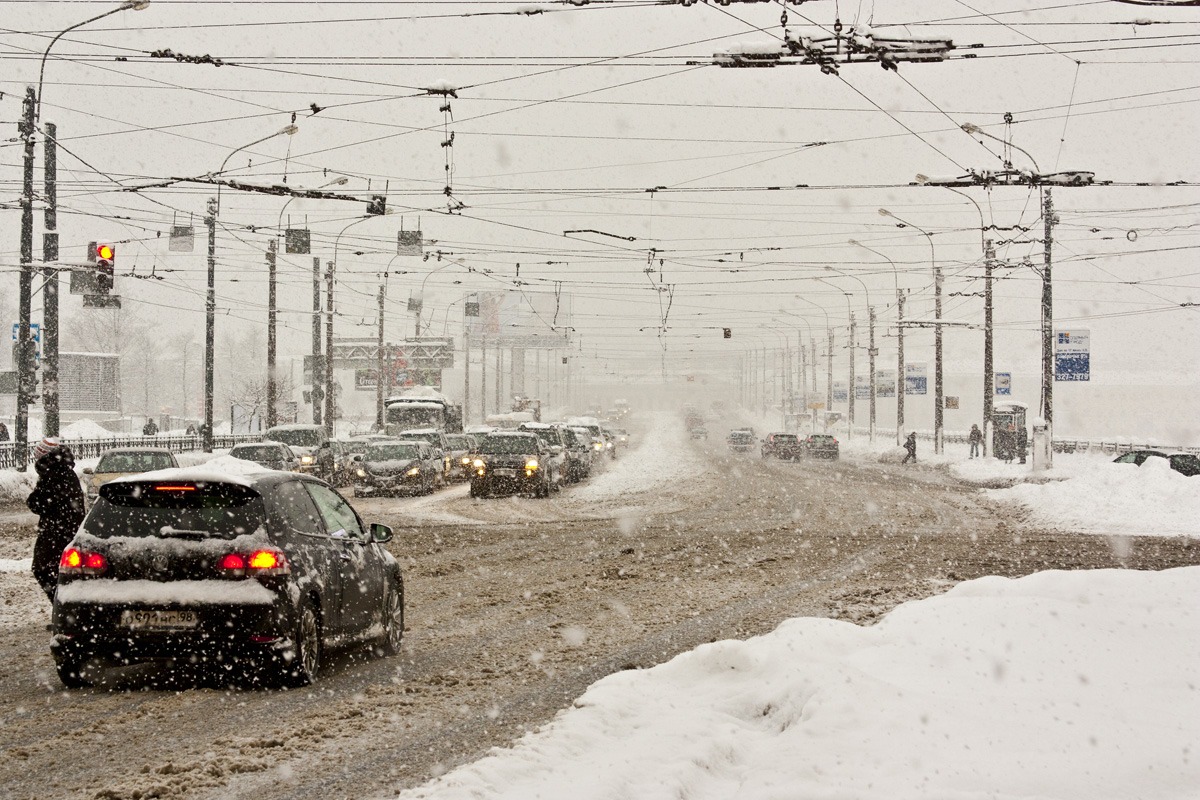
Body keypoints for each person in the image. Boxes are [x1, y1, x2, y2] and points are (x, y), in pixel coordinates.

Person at [27, 438, 86, 602]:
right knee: (63, 571)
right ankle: (66, 608)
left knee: (43, 569)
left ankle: (63, 608)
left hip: (55, 531)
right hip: (68, 530)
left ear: (43, 457)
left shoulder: (53, 474)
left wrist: (36, 500)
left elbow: (38, 502)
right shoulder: (64, 471)